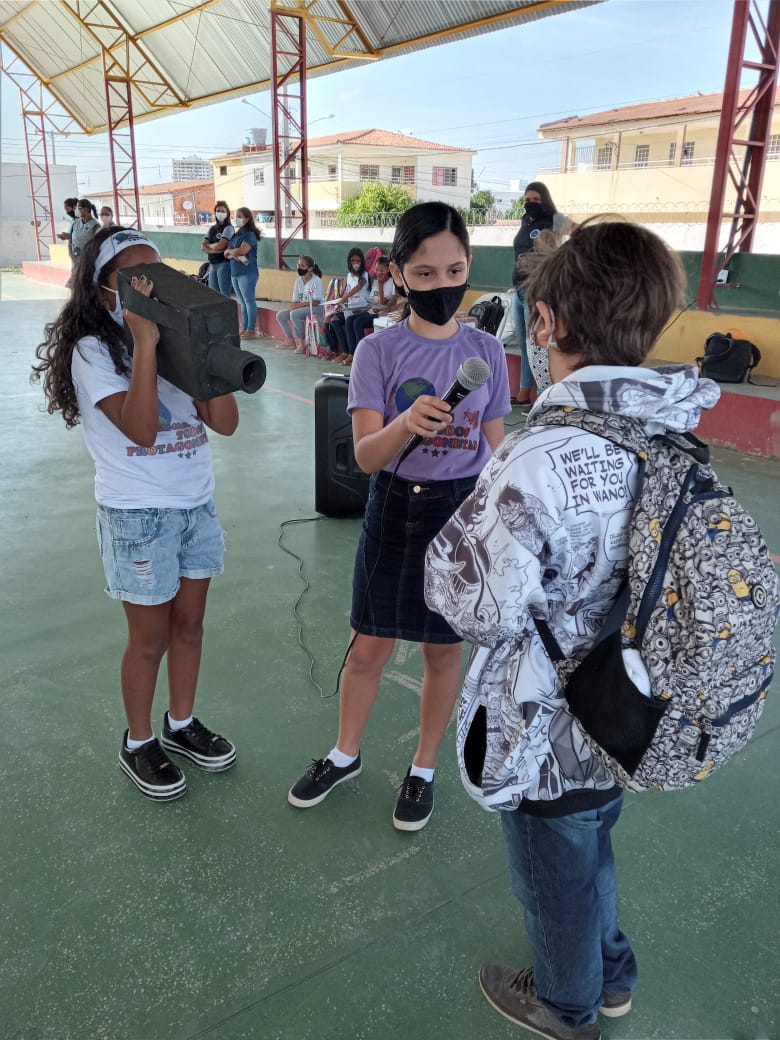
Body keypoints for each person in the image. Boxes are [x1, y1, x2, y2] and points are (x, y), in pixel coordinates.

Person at [425, 218, 720, 1040]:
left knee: (551, 873)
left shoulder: (539, 457)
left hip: (545, 727)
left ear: (547, 323)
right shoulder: (672, 436)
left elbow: (472, 605)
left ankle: (566, 1006)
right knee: (593, 843)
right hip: (629, 706)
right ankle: (612, 974)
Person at [288, 202, 511, 831]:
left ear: (469, 266)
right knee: (368, 645)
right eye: (425, 273)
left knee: (443, 652)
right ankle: (345, 753)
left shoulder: (487, 353)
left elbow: (497, 450)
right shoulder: (376, 351)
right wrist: (406, 423)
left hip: (460, 512)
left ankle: (424, 768)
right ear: (398, 273)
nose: (442, 285)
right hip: (393, 506)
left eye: (455, 271)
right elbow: (364, 456)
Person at [32, 226, 240, 802]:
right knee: (149, 640)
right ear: (105, 291)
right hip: (138, 515)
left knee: (190, 626)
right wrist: (145, 345)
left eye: (157, 274)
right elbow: (142, 431)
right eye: (135, 279)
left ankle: (180, 723)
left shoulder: (176, 341)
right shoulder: (93, 351)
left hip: (195, 504)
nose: (151, 287)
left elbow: (224, 422)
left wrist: (204, 349)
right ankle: (139, 741)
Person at [511, 182, 568, 407]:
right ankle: (524, 393)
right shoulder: (526, 220)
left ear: (545, 199)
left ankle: (544, 396)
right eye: (527, 200)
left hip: (537, 290)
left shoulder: (555, 219)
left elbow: (580, 233)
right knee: (523, 344)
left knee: (537, 344)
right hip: (518, 288)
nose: (531, 204)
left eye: (536, 199)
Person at [338, 255, 400, 365]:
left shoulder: (391, 282)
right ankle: (352, 354)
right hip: (372, 311)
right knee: (350, 319)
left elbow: (382, 304)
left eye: (381, 270)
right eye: (377, 270)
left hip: (382, 314)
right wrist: (362, 310)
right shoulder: (375, 282)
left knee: (358, 322)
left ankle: (361, 355)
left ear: (388, 270)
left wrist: (380, 285)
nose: (378, 273)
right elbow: (371, 301)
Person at [322, 247, 372, 358]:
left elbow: (359, 286)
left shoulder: (364, 274)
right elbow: (347, 290)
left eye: (358, 261)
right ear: (349, 262)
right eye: (353, 261)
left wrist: (344, 299)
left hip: (362, 307)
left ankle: (350, 353)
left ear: (362, 262)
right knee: (331, 319)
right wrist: (339, 301)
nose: (355, 263)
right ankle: (338, 351)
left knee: (345, 320)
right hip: (350, 307)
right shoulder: (349, 275)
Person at [275, 255, 324, 353]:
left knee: (294, 314)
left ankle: (302, 343)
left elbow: (316, 302)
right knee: (281, 315)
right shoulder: (298, 281)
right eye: (298, 265)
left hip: (316, 308)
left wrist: (298, 306)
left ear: (310, 268)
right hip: (304, 308)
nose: (299, 268)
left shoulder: (316, 281)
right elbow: (296, 300)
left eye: (302, 266)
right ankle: (290, 340)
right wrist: (294, 306)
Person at [224, 207, 259, 338]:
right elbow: (226, 253)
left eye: (239, 216)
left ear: (247, 218)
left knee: (249, 300)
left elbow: (242, 251)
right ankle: (244, 328)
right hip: (235, 271)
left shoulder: (250, 235)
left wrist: (232, 252)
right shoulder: (236, 234)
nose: (236, 218)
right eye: (235, 216)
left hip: (247, 272)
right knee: (242, 301)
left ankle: (251, 329)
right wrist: (233, 253)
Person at [201, 201, 234, 297]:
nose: (220, 213)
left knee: (224, 294)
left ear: (227, 213)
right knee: (213, 293)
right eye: (218, 211)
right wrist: (214, 250)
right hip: (212, 264)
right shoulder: (212, 229)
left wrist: (209, 246)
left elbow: (221, 245)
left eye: (223, 211)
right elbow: (203, 246)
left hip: (224, 264)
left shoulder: (228, 228)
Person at [69, 199, 101, 263]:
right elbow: (70, 240)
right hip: (75, 261)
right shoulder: (75, 223)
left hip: (88, 261)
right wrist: (71, 256)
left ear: (85, 209)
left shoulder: (95, 225)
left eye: (78, 208)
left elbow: (98, 245)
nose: (76, 210)